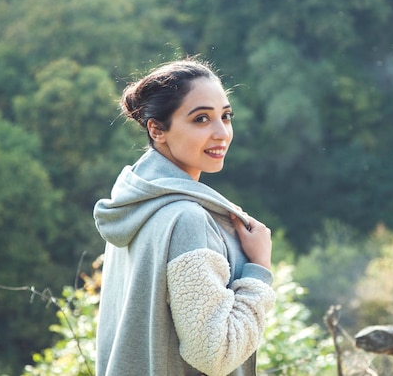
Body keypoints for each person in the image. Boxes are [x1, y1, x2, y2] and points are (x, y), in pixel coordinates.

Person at [93, 58, 275, 376]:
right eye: (201, 119)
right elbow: (214, 354)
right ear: (157, 130)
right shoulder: (185, 219)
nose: (221, 133)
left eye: (226, 116)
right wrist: (258, 271)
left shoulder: (135, 204)